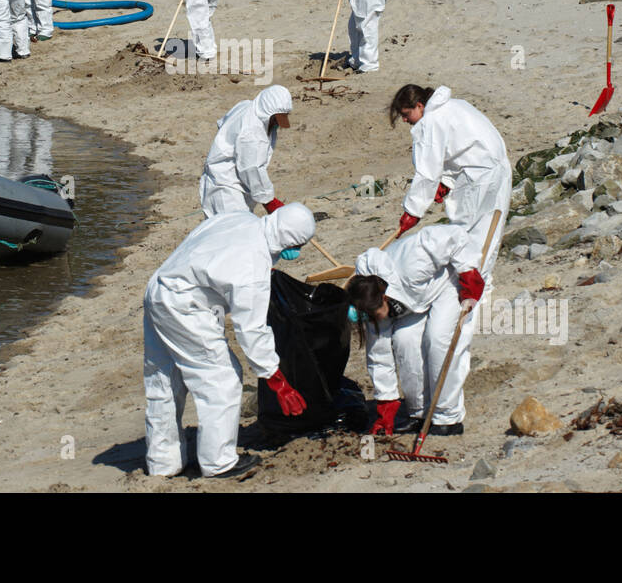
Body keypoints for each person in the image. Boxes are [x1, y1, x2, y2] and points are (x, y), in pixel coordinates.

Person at [143, 203, 315, 478]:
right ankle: (218, 462)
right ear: (290, 242)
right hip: (185, 306)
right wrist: (275, 377)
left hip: (159, 288)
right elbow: (251, 329)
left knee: (164, 380)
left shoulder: (240, 218)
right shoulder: (253, 265)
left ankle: (163, 463)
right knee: (221, 379)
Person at [346, 224, 484, 436]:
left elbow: (453, 238)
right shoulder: (369, 299)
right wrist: (386, 402)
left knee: (437, 338)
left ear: (384, 297)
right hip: (414, 300)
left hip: (445, 283)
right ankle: (419, 412)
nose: (374, 320)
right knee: (404, 340)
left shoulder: (412, 262)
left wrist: (469, 274)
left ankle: (447, 416)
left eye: (375, 314)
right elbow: (379, 353)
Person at [390, 84, 511, 280]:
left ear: (420, 105)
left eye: (406, 114)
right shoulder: (454, 105)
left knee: (466, 233)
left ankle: (470, 285)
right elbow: (459, 145)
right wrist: (446, 180)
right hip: (498, 169)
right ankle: (479, 283)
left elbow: (427, 171)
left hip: (479, 176)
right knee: (488, 231)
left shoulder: (431, 121)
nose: (404, 119)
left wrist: (413, 211)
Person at [199, 85, 293, 218]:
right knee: (233, 231)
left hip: (229, 179)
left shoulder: (246, 106)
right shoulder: (252, 131)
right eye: (276, 118)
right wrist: (269, 201)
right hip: (226, 186)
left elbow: (222, 123)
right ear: (268, 112)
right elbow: (251, 168)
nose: (277, 123)